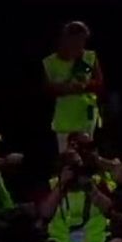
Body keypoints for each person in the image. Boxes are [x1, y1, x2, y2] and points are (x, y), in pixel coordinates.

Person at [39, 149, 122, 242]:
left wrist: (91, 189)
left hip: (97, 240)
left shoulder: (95, 182)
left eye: (78, 165)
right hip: (62, 241)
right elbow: (45, 213)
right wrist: (61, 184)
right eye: (72, 167)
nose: (76, 170)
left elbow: (109, 209)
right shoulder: (52, 185)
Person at [42, 22, 104, 153]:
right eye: (76, 40)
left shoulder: (89, 57)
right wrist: (67, 88)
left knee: (88, 154)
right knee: (67, 156)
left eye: (83, 40)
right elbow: (48, 89)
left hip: (87, 113)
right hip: (65, 118)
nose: (80, 44)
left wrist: (85, 85)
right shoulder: (50, 62)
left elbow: (99, 83)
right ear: (66, 39)